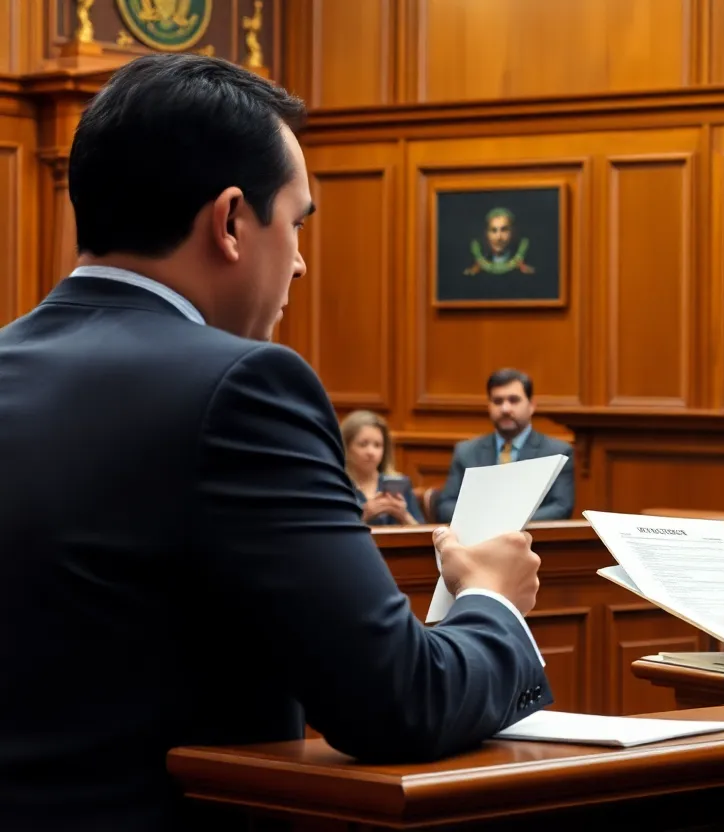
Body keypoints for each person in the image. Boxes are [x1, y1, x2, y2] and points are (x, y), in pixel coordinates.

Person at [0, 55, 549, 831]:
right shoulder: (244, 388)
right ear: (230, 222)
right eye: (295, 223)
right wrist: (493, 600)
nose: (296, 260)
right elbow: (396, 701)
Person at [434, 368, 575, 524]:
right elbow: (446, 506)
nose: (505, 409)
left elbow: (561, 507)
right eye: (497, 401)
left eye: (514, 400)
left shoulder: (557, 452)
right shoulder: (466, 452)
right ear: (489, 406)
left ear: (532, 405)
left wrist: (506, 523)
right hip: (477, 543)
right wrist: (486, 521)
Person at [341, 409, 424, 524]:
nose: (371, 452)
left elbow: (422, 534)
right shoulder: (338, 484)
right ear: (347, 448)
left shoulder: (400, 483)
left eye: (377, 445)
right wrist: (364, 515)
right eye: (363, 444)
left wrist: (403, 515)